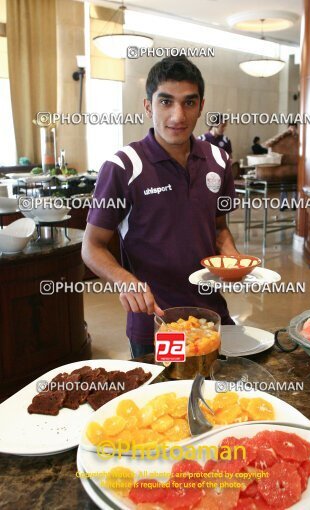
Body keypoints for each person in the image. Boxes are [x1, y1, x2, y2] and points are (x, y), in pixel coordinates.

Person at [82, 56, 239, 358]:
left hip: (212, 313)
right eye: (166, 102)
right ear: (148, 106)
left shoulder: (219, 161)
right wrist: (124, 280)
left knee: (221, 396)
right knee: (168, 401)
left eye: (189, 103)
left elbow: (218, 226)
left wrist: (229, 255)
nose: (177, 115)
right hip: (157, 320)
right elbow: (92, 246)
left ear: (201, 106)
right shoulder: (123, 166)